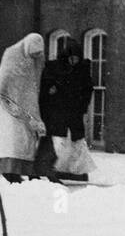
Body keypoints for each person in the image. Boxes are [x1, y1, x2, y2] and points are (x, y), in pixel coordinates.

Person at [0, 34, 46, 182]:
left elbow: (34, 85)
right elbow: (2, 81)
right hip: (8, 105)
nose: (35, 57)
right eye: (34, 53)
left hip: (27, 106)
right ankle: (9, 172)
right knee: (11, 141)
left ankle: (22, 170)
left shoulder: (35, 60)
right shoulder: (11, 55)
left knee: (25, 141)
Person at [41, 43, 97, 179]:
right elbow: (46, 86)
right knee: (60, 141)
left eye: (76, 59)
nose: (74, 61)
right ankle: (59, 168)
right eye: (71, 58)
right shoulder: (55, 68)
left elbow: (87, 90)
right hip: (59, 111)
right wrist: (51, 92)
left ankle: (77, 171)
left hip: (74, 112)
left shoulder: (82, 70)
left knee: (76, 142)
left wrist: (82, 107)